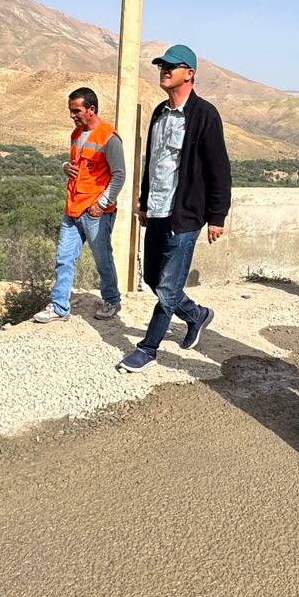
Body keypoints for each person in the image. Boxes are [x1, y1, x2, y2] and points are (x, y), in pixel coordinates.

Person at [116, 44, 232, 374]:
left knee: (167, 286)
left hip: (185, 215)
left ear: (189, 73)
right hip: (156, 210)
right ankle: (195, 314)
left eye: (171, 66)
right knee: (154, 278)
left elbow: (219, 169)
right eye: (161, 66)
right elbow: (153, 163)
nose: (164, 70)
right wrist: (144, 201)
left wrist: (217, 216)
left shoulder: (205, 114)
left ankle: (148, 348)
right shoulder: (160, 113)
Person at [32, 87, 124, 323]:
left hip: (95, 212)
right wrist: (65, 166)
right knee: (64, 258)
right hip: (72, 208)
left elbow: (119, 175)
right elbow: (77, 164)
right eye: (71, 111)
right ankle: (59, 307)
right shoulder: (76, 133)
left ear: (91, 109)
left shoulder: (109, 138)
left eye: (76, 111)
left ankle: (112, 300)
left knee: (102, 260)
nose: (72, 115)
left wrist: (101, 204)